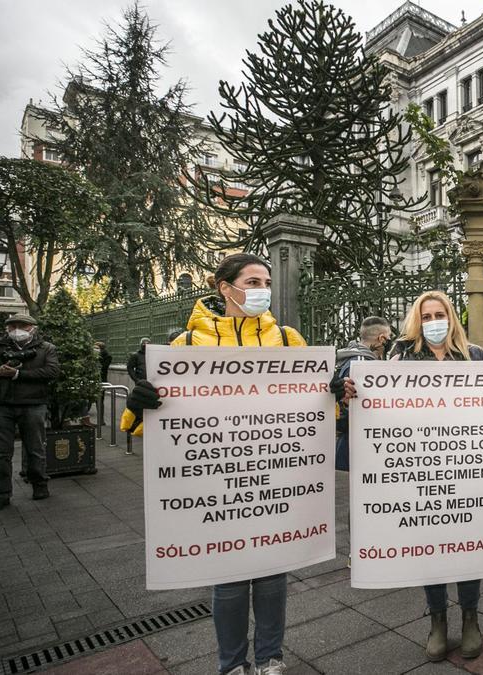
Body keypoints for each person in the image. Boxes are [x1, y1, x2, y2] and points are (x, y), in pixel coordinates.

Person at [122, 253, 311, 675]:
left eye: (266, 281)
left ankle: (270, 659)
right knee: (227, 579)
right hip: (216, 480)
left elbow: (314, 406)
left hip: (272, 474)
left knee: (271, 575)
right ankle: (231, 664)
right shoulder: (185, 347)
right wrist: (139, 404)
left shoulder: (288, 340)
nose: (263, 289)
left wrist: (335, 391)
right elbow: (145, 424)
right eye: (253, 281)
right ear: (226, 288)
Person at [339, 290, 483, 662]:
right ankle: (437, 619)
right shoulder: (401, 356)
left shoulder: (476, 356)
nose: (433, 322)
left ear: (451, 317)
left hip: (468, 467)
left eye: (439, 314)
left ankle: (470, 617)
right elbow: (377, 403)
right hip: (419, 467)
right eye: (426, 317)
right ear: (417, 321)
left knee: (470, 541)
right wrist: (351, 394)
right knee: (431, 543)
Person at [0, 314, 60, 508]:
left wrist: (17, 374)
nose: (17, 330)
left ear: (32, 328)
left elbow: (52, 372)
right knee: (1, 452)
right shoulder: (1, 347)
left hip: (33, 404)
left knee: (35, 448)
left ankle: (39, 484)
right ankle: (2, 493)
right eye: (12, 326)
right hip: (4, 404)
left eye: (22, 326)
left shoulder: (46, 349)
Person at [332, 316, 392, 471]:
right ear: (382, 338)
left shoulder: (351, 358)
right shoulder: (363, 366)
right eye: (389, 337)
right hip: (355, 447)